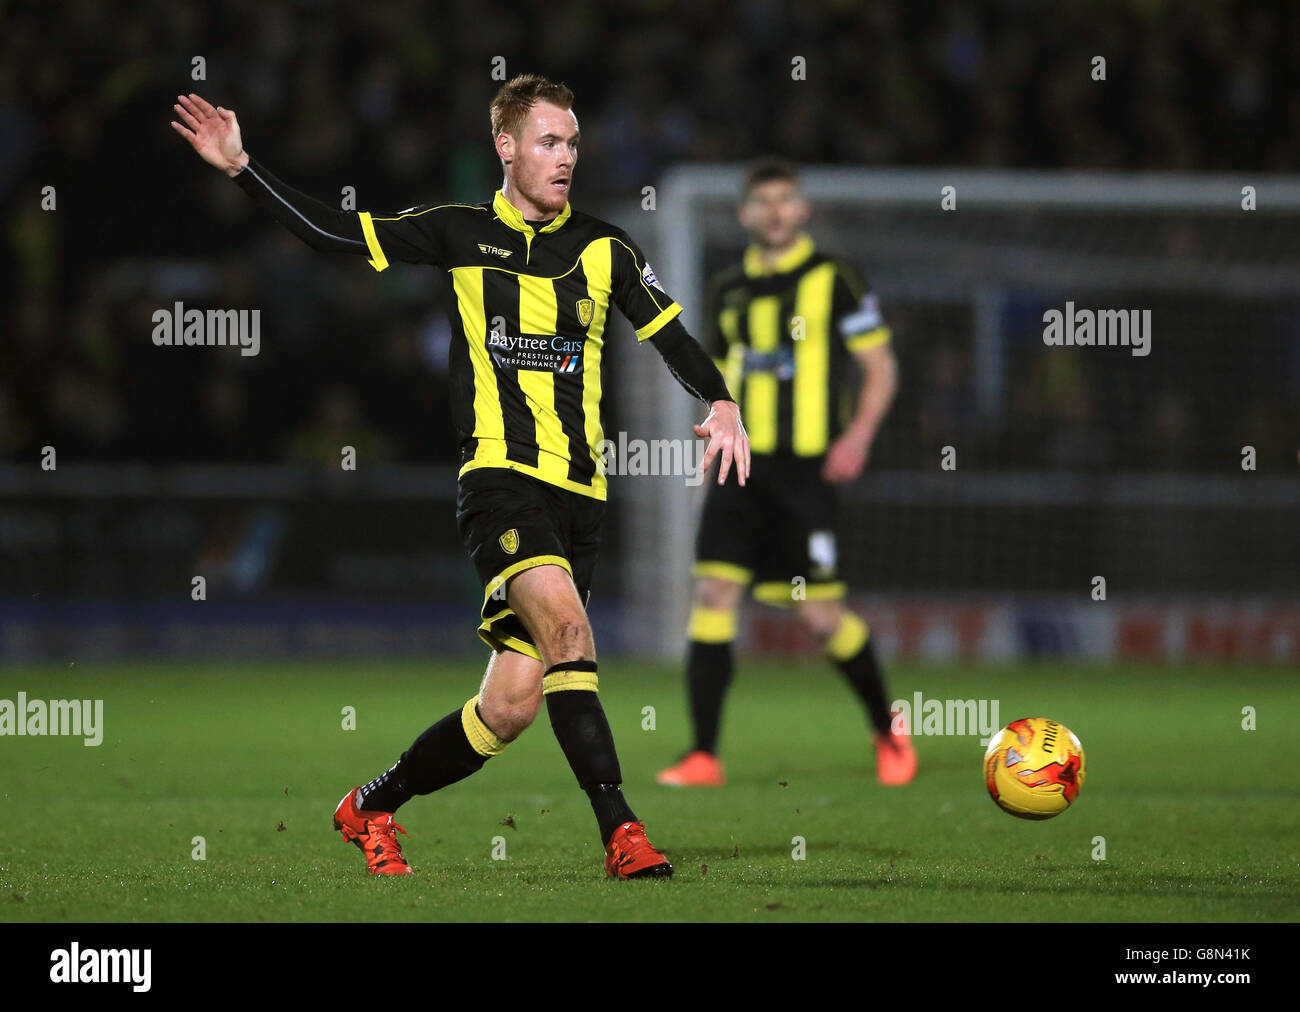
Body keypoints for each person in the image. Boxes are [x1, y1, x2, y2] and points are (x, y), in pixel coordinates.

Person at [172, 75, 750, 878]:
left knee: (508, 709)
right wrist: (244, 168)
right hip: (501, 482)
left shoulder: (606, 248)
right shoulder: (455, 232)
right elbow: (337, 234)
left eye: (574, 142)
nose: (566, 157)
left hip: (582, 496)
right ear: (505, 147)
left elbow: (672, 336)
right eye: (549, 141)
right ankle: (623, 834)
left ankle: (370, 805)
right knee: (572, 636)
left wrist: (720, 400)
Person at [656, 158, 914, 788]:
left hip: (806, 473)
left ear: (802, 211)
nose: (774, 211)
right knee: (713, 597)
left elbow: (879, 366)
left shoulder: (835, 279)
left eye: (785, 200)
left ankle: (888, 730)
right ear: (746, 215)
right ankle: (704, 755)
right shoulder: (725, 290)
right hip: (740, 468)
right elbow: (715, 380)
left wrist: (857, 437)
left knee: (820, 617)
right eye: (763, 201)